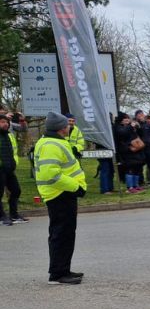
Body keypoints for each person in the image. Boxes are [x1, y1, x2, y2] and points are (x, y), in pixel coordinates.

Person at [34, 112, 86, 283]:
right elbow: (52, 175)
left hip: (61, 193)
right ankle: (58, 273)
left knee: (64, 234)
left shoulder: (52, 141)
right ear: (61, 128)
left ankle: (63, 269)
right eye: (67, 125)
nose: (69, 127)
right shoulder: (51, 144)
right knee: (61, 234)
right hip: (60, 194)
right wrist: (75, 187)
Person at [0, 112, 27, 225]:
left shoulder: (10, 135)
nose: (5, 124)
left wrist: (14, 163)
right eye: (2, 122)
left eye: (6, 122)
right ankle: (2, 217)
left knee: (16, 190)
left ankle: (14, 215)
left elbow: (14, 151)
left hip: (10, 168)